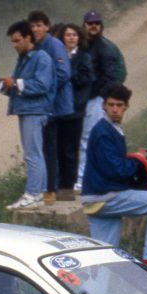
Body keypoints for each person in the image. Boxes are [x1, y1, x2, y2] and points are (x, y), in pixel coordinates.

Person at [81, 84, 147, 278]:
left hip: (94, 199)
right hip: (105, 196)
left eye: (119, 105)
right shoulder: (104, 132)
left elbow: (112, 164)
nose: (115, 109)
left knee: (105, 262)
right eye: (111, 105)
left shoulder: (110, 129)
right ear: (104, 106)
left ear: (126, 106)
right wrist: (138, 159)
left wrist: (133, 159)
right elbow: (116, 170)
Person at [0, 20, 54, 210]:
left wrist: (15, 83)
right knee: (35, 153)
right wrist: (4, 86)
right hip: (26, 109)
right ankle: (40, 193)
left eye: (17, 40)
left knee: (32, 154)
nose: (14, 45)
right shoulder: (23, 59)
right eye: (12, 41)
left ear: (28, 38)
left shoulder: (42, 58)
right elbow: (17, 86)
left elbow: (42, 85)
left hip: (35, 110)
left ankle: (33, 193)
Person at [75, 11, 128, 189]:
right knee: (82, 138)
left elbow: (110, 76)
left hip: (96, 99)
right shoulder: (82, 46)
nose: (94, 26)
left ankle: (83, 179)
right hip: (83, 99)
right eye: (90, 23)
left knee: (89, 138)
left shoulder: (105, 48)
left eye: (97, 23)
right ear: (84, 25)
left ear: (101, 26)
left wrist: (99, 95)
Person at [29, 11, 73, 205]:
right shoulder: (34, 47)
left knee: (52, 147)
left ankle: (51, 189)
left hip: (56, 105)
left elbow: (64, 73)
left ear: (47, 26)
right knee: (43, 146)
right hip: (42, 105)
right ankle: (46, 187)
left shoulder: (54, 45)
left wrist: (44, 86)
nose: (35, 29)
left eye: (39, 25)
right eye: (32, 26)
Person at [54, 23, 91, 201]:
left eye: (74, 35)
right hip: (59, 109)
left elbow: (85, 79)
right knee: (58, 148)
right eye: (68, 35)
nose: (71, 38)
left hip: (76, 109)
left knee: (71, 149)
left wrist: (68, 72)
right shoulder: (57, 57)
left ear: (79, 38)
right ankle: (58, 184)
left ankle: (69, 186)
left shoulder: (84, 57)